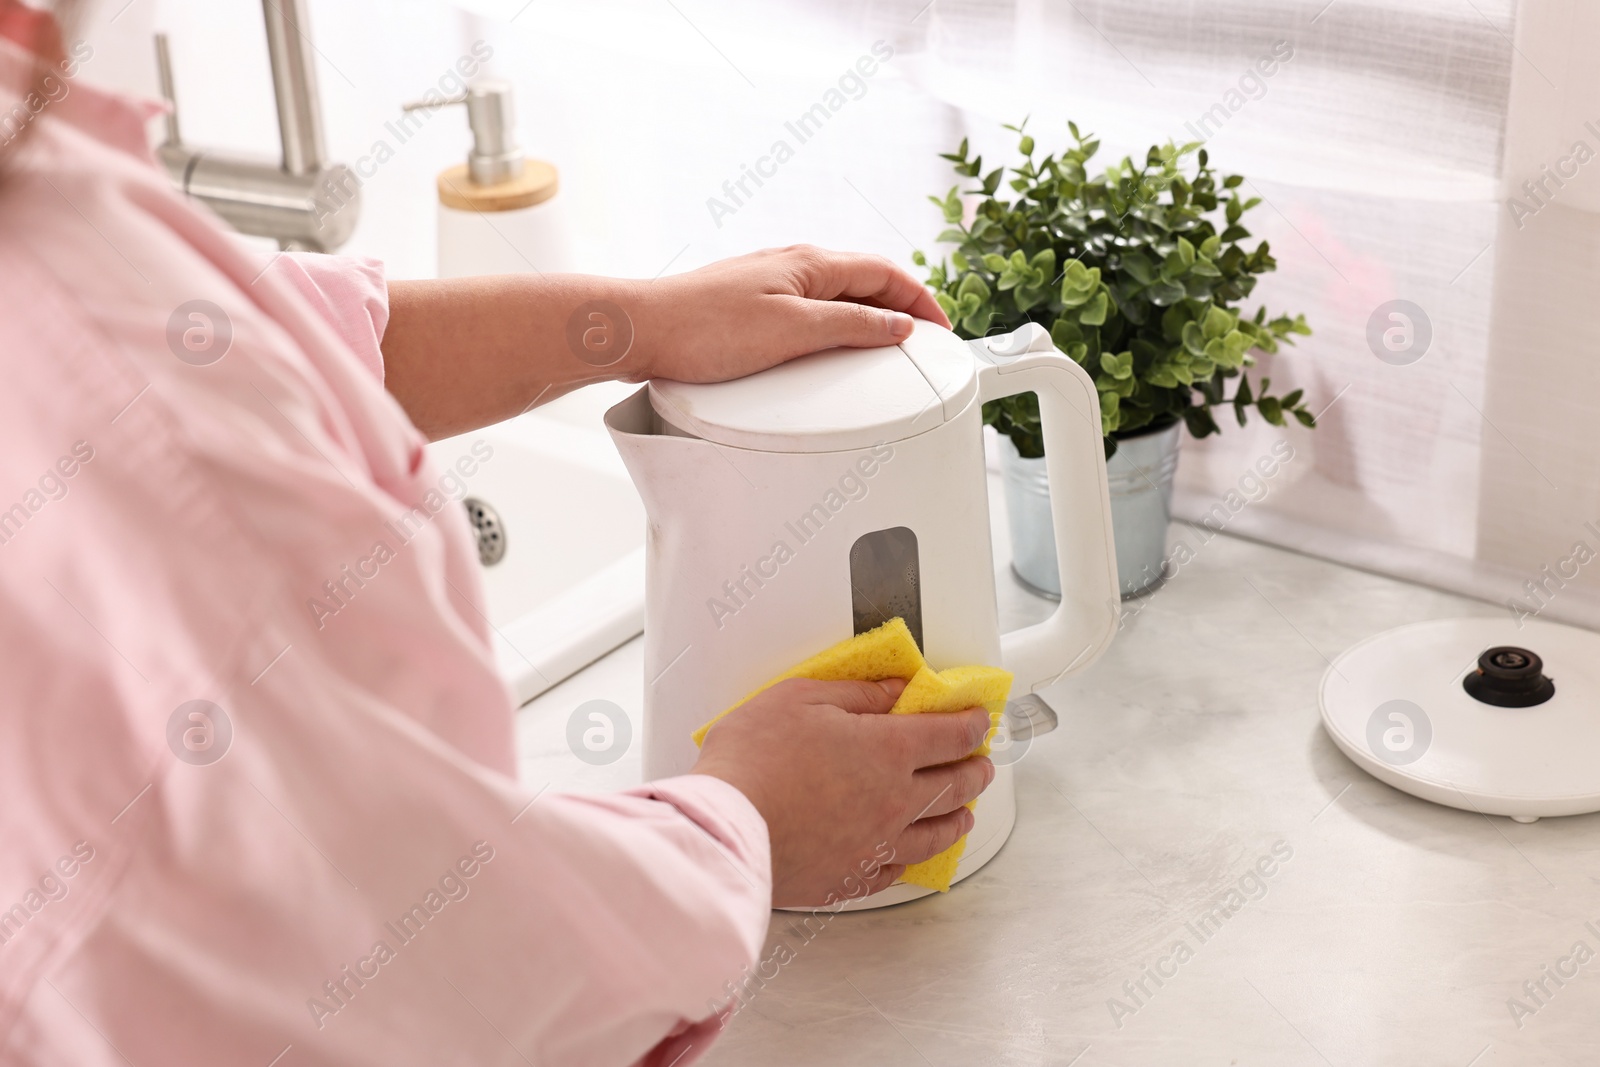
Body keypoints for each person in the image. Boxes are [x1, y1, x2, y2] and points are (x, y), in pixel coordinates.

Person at [0, 6, 995, 1066]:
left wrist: (637, 320)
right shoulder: (108, 375)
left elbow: (257, 342)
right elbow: (408, 962)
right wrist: (747, 817)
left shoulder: (44, 209)